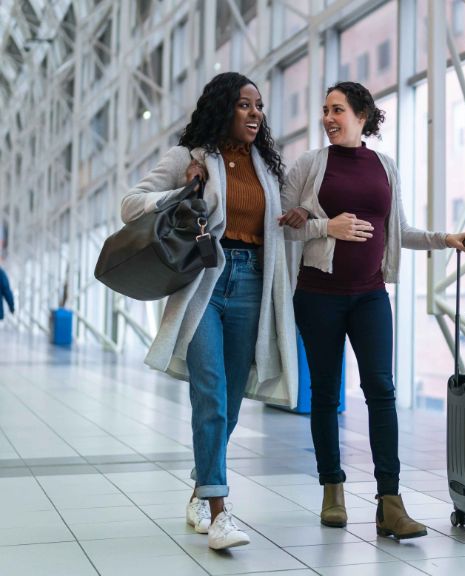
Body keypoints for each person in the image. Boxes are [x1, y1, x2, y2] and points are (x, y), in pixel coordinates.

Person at [279, 81, 465, 540]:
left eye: (337, 109)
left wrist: (443, 239)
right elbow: (283, 225)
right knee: (325, 395)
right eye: (325, 110)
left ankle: (390, 501)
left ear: (362, 115)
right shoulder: (310, 164)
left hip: (369, 294)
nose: (328, 118)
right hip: (318, 294)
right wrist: (327, 226)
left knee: (381, 391)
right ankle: (333, 492)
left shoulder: (384, 166)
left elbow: (397, 230)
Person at [121, 72, 298, 550]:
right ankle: (220, 513)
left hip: (252, 285)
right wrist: (182, 191)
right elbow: (130, 204)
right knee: (212, 395)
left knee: (233, 399)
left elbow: (283, 227)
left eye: (259, 106)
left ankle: (202, 487)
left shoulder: (267, 166)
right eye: (245, 105)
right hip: (204, 284)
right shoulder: (188, 158)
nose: (256, 113)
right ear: (223, 108)